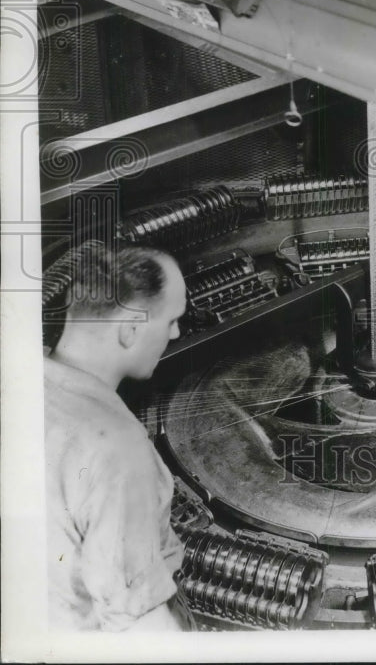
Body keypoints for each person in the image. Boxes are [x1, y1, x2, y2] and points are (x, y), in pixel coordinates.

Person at [44, 242, 192, 632]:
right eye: (171, 320)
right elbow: (137, 624)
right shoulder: (118, 451)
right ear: (130, 330)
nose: (176, 333)